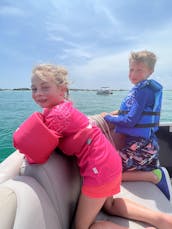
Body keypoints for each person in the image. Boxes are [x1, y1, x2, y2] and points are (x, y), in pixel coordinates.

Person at [14, 64, 172, 229]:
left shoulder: (57, 115)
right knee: (109, 205)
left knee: (85, 227)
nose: (38, 93)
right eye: (33, 89)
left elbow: (37, 151)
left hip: (100, 169)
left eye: (44, 88)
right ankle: (163, 220)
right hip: (110, 161)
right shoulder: (65, 108)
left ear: (62, 90)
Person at [101, 50, 172, 202]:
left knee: (110, 173)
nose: (134, 74)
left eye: (139, 70)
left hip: (140, 147)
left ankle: (153, 176)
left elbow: (130, 121)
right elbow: (127, 112)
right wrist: (114, 114)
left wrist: (107, 117)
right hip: (146, 145)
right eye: (131, 69)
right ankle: (151, 169)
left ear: (150, 72)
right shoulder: (139, 90)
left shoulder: (143, 92)